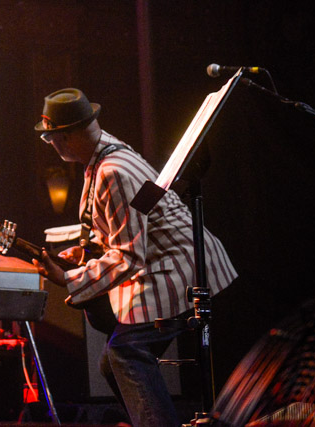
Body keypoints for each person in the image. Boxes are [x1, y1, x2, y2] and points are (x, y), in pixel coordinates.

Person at [32, 88, 237, 427]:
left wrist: (68, 278)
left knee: (126, 353)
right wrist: (86, 252)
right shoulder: (105, 154)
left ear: (65, 137)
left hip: (182, 270)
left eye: (50, 138)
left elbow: (129, 255)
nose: (51, 145)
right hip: (169, 264)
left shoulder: (112, 172)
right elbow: (123, 227)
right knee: (112, 362)